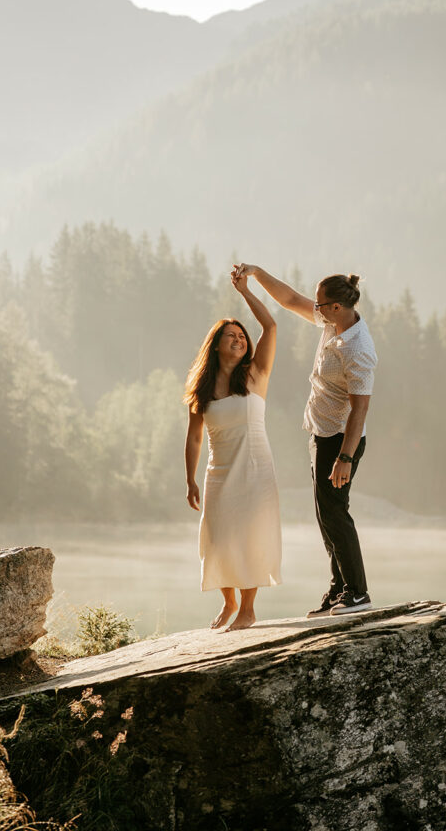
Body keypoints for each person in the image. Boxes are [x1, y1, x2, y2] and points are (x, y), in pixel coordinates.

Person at [233, 265, 377, 617]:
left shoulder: (358, 348)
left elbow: (359, 410)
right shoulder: (332, 322)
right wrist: (254, 274)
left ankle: (358, 593)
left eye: (320, 303)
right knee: (324, 515)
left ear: (337, 308)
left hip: (341, 439)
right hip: (321, 432)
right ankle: (339, 587)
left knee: (336, 514)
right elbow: (290, 299)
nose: (314, 306)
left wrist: (345, 458)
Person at [183, 269, 282, 631]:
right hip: (219, 471)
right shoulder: (203, 390)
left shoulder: (256, 375)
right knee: (219, 537)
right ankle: (228, 602)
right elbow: (194, 437)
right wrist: (190, 480)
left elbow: (270, 327)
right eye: (231, 336)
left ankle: (248, 608)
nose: (239, 340)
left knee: (251, 535)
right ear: (216, 344)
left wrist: (245, 291)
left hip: (257, 468)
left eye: (242, 336)